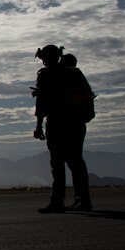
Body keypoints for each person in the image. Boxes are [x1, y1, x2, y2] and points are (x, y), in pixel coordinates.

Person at [33, 45, 94, 213]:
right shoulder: (75, 73)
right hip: (76, 124)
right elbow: (88, 94)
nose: (43, 60)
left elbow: (42, 103)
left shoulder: (45, 75)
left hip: (57, 124)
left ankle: (57, 201)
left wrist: (38, 126)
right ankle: (84, 200)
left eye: (44, 57)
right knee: (76, 162)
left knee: (58, 164)